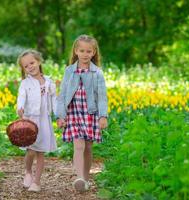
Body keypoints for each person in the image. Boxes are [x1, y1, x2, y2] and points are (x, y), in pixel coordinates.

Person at [56, 34, 108, 192]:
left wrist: (103, 116)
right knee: (78, 145)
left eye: (88, 51)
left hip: (90, 113)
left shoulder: (97, 73)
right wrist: (60, 115)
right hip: (74, 112)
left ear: (93, 53)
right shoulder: (69, 71)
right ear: (76, 51)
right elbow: (63, 94)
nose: (85, 54)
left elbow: (102, 96)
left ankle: (85, 178)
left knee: (88, 147)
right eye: (82, 50)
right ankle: (79, 177)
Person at [17, 49, 57, 192]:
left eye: (32, 63)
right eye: (26, 66)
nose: (30, 67)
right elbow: (21, 98)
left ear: (39, 61)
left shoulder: (49, 82)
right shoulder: (25, 84)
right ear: (24, 69)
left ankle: (37, 182)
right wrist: (20, 108)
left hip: (44, 120)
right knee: (31, 151)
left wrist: (58, 116)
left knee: (40, 152)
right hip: (30, 121)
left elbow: (54, 99)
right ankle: (28, 171)